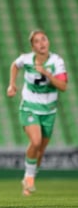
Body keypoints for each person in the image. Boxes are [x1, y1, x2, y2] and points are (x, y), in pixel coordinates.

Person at [7, 30, 68, 196]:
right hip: (29, 106)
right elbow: (15, 65)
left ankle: (29, 179)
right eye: (37, 41)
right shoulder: (26, 59)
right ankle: (28, 178)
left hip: (49, 110)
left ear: (48, 42)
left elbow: (63, 86)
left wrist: (47, 74)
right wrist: (12, 84)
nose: (42, 43)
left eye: (44, 39)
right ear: (32, 46)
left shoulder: (57, 62)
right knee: (35, 141)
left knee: (41, 149)